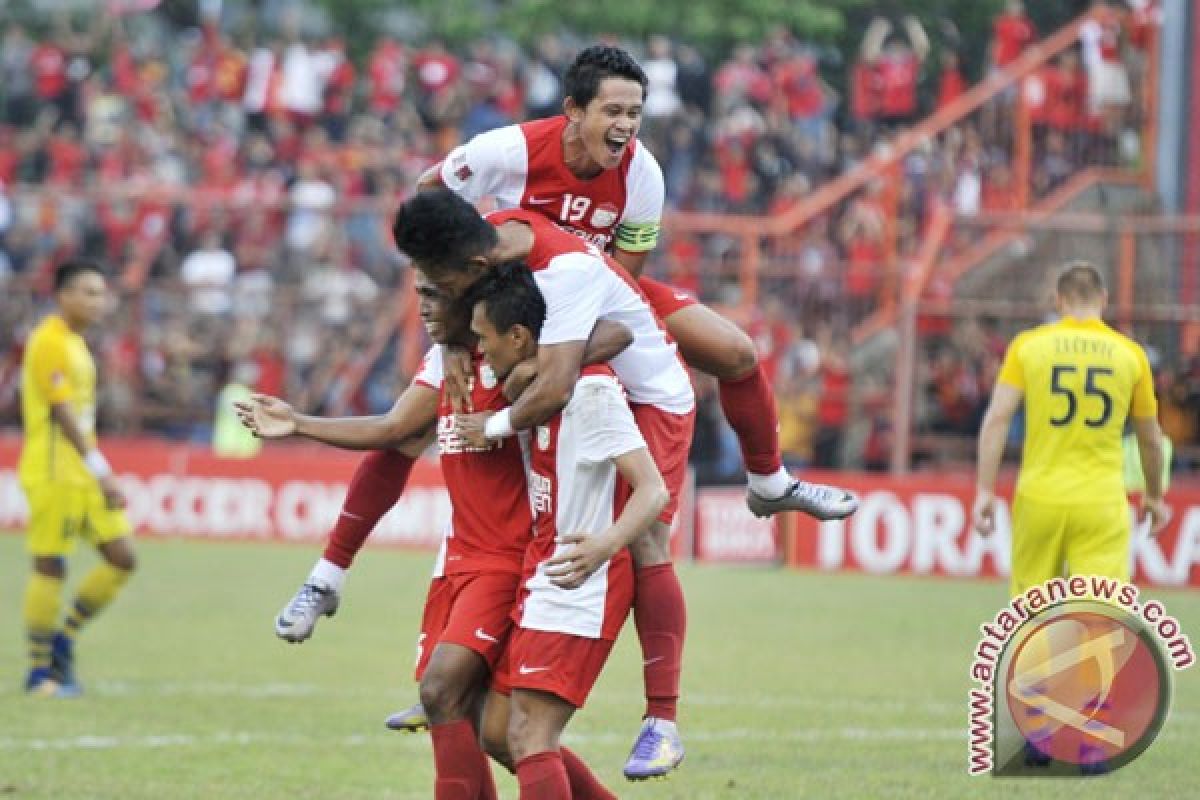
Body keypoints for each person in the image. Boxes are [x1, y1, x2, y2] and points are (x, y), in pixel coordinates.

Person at [236, 271, 631, 798]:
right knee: (489, 729)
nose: (421, 305)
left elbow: (618, 332)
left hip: (508, 557)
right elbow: (395, 429)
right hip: (459, 557)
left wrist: (539, 365)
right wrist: (301, 424)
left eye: (433, 295)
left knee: (445, 690)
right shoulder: (445, 362)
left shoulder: (514, 362)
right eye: (418, 292)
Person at [394, 188, 695, 778]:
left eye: (438, 284)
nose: (435, 298)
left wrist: (499, 422)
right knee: (505, 733)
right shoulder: (495, 250)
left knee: (645, 539)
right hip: (554, 522)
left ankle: (662, 719)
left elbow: (595, 353)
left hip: (649, 402)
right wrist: (455, 343)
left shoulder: (566, 277)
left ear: (472, 270)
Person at [464, 264, 667, 797]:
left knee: (532, 735)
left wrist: (605, 543)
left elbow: (652, 489)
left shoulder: (592, 392)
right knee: (497, 734)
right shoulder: (538, 391)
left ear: (518, 337)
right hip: (541, 572)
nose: (480, 352)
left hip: (582, 580)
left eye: (484, 340)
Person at [971, 261, 1170, 599]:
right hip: (1101, 501)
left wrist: (985, 491)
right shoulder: (1131, 355)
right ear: (1103, 299)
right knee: (1100, 620)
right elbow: (1150, 439)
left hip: (1039, 498)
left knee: (1029, 620)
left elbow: (997, 418)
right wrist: (1153, 496)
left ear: (1058, 300)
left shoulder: (1028, 346)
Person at [19, 260, 136, 696]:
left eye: (101, 293)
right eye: (88, 292)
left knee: (122, 557)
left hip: (81, 472)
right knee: (50, 563)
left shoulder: (75, 344)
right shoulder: (49, 341)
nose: (98, 301)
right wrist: (103, 470)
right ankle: (38, 673)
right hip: (54, 470)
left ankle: (63, 641)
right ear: (63, 295)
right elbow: (62, 412)